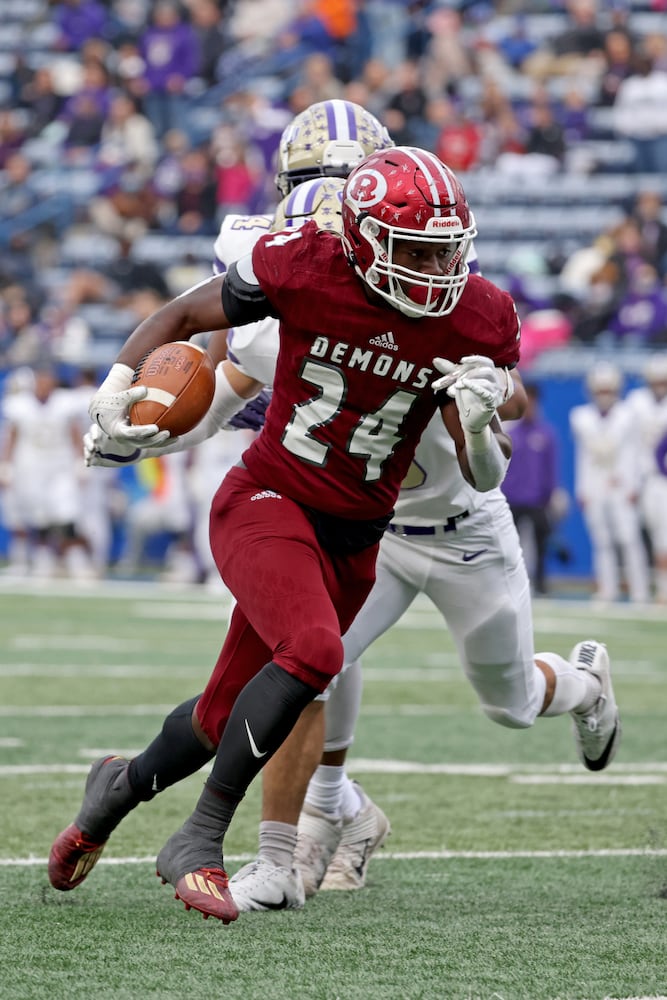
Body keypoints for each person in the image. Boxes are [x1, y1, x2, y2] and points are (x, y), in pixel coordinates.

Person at [48, 144, 522, 925]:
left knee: (219, 714)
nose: (436, 265)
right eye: (417, 248)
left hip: (357, 536)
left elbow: (483, 473)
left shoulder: (476, 314)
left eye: (448, 247)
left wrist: (479, 420)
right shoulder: (305, 264)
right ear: (362, 240)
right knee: (315, 653)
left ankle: (109, 797)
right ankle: (199, 838)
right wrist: (118, 386)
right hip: (269, 497)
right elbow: (182, 317)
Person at [570, 361, 650, 603]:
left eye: (608, 390)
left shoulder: (628, 415)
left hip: (621, 484)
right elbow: (582, 457)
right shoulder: (581, 416)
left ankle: (640, 592)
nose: (604, 396)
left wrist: (633, 485)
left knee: (628, 538)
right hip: (594, 484)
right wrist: (581, 488)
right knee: (601, 540)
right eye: (600, 390)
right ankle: (608, 589)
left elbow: (636, 452)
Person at [501, 382, 561, 596]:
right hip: (512, 499)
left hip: (537, 501)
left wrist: (551, 495)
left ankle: (541, 585)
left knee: (541, 546)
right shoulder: (510, 433)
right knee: (509, 546)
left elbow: (551, 469)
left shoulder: (546, 434)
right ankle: (510, 583)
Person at [624, 353, 667, 602]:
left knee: (663, 536)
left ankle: (663, 589)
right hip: (644, 477)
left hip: (662, 478)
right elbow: (628, 446)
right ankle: (646, 589)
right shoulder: (636, 402)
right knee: (642, 534)